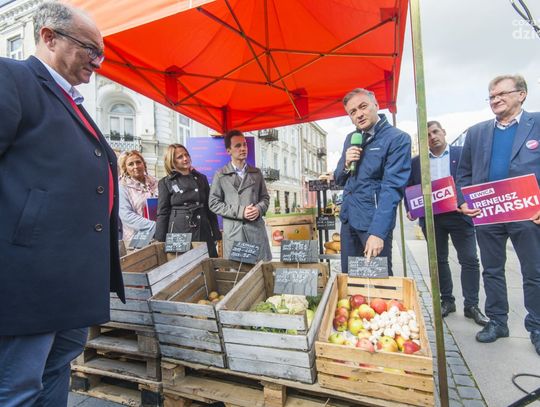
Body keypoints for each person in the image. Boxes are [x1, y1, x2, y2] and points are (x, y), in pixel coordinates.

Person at [0, 3, 125, 406]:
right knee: (18, 385)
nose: (97, 62)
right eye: (90, 49)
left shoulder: (71, 101)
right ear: (49, 37)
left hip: (70, 277)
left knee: (57, 370)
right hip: (29, 276)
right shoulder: (12, 78)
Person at [456, 74, 540, 354]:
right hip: (488, 214)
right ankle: (497, 322)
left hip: (527, 213)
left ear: (522, 94)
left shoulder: (537, 123)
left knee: (534, 272)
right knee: (492, 270)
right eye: (492, 96)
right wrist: (463, 201)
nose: (496, 100)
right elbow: (463, 173)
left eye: (502, 94)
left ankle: (537, 326)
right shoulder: (477, 132)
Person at [406, 121, 488, 325]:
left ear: (443, 132)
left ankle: (471, 305)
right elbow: (410, 186)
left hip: (460, 215)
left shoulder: (462, 154)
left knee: (469, 259)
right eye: (427, 135)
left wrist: (466, 201)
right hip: (432, 218)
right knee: (438, 260)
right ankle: (447, 301)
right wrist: (410, 207)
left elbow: (473, 179)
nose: (432, 137)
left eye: (435, 132)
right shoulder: (416, 163)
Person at [334, 88, 411, 275]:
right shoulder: (351, 139)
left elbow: (392, 189)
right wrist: (346, 163)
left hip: (372, 222)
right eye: (353, 112)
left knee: (378, 280)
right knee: (350, 278)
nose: (359, 114)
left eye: (363, 107)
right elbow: (338, 179)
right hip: (349, 220)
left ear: (376, 105)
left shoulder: (397, 139)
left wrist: (378, 232)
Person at [209, 130, 272, 261]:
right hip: (235, 232)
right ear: (228, 151)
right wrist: (241, 212)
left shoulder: (256, 173)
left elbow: (265, 198)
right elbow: (214, 203)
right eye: (238, 146)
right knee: (237, 271)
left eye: (244, 144)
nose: (243, 148)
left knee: (260, 269)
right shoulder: (221, 175)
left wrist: (258, 209)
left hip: (256, 230)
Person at [155, 144, 221, 257]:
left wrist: (216, 232)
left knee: (208, 263)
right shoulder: (165, 182)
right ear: (172, 161)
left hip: (202, 228)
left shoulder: (201, 178)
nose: (185, 158)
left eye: (186, 155)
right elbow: (163, 213)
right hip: (178, 231)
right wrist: (160, 239)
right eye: (180, 157)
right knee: (182, 264)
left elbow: (209, 208)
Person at [118, 150, 158, 243]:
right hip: (137, 239)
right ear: (125, 168)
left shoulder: (155, 182)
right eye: (131, 164)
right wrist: (154, 226)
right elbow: (126, 215)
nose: (135, 166)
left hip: (158, 237)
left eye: (138, 162)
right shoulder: (122, 187)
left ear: (144, 164)